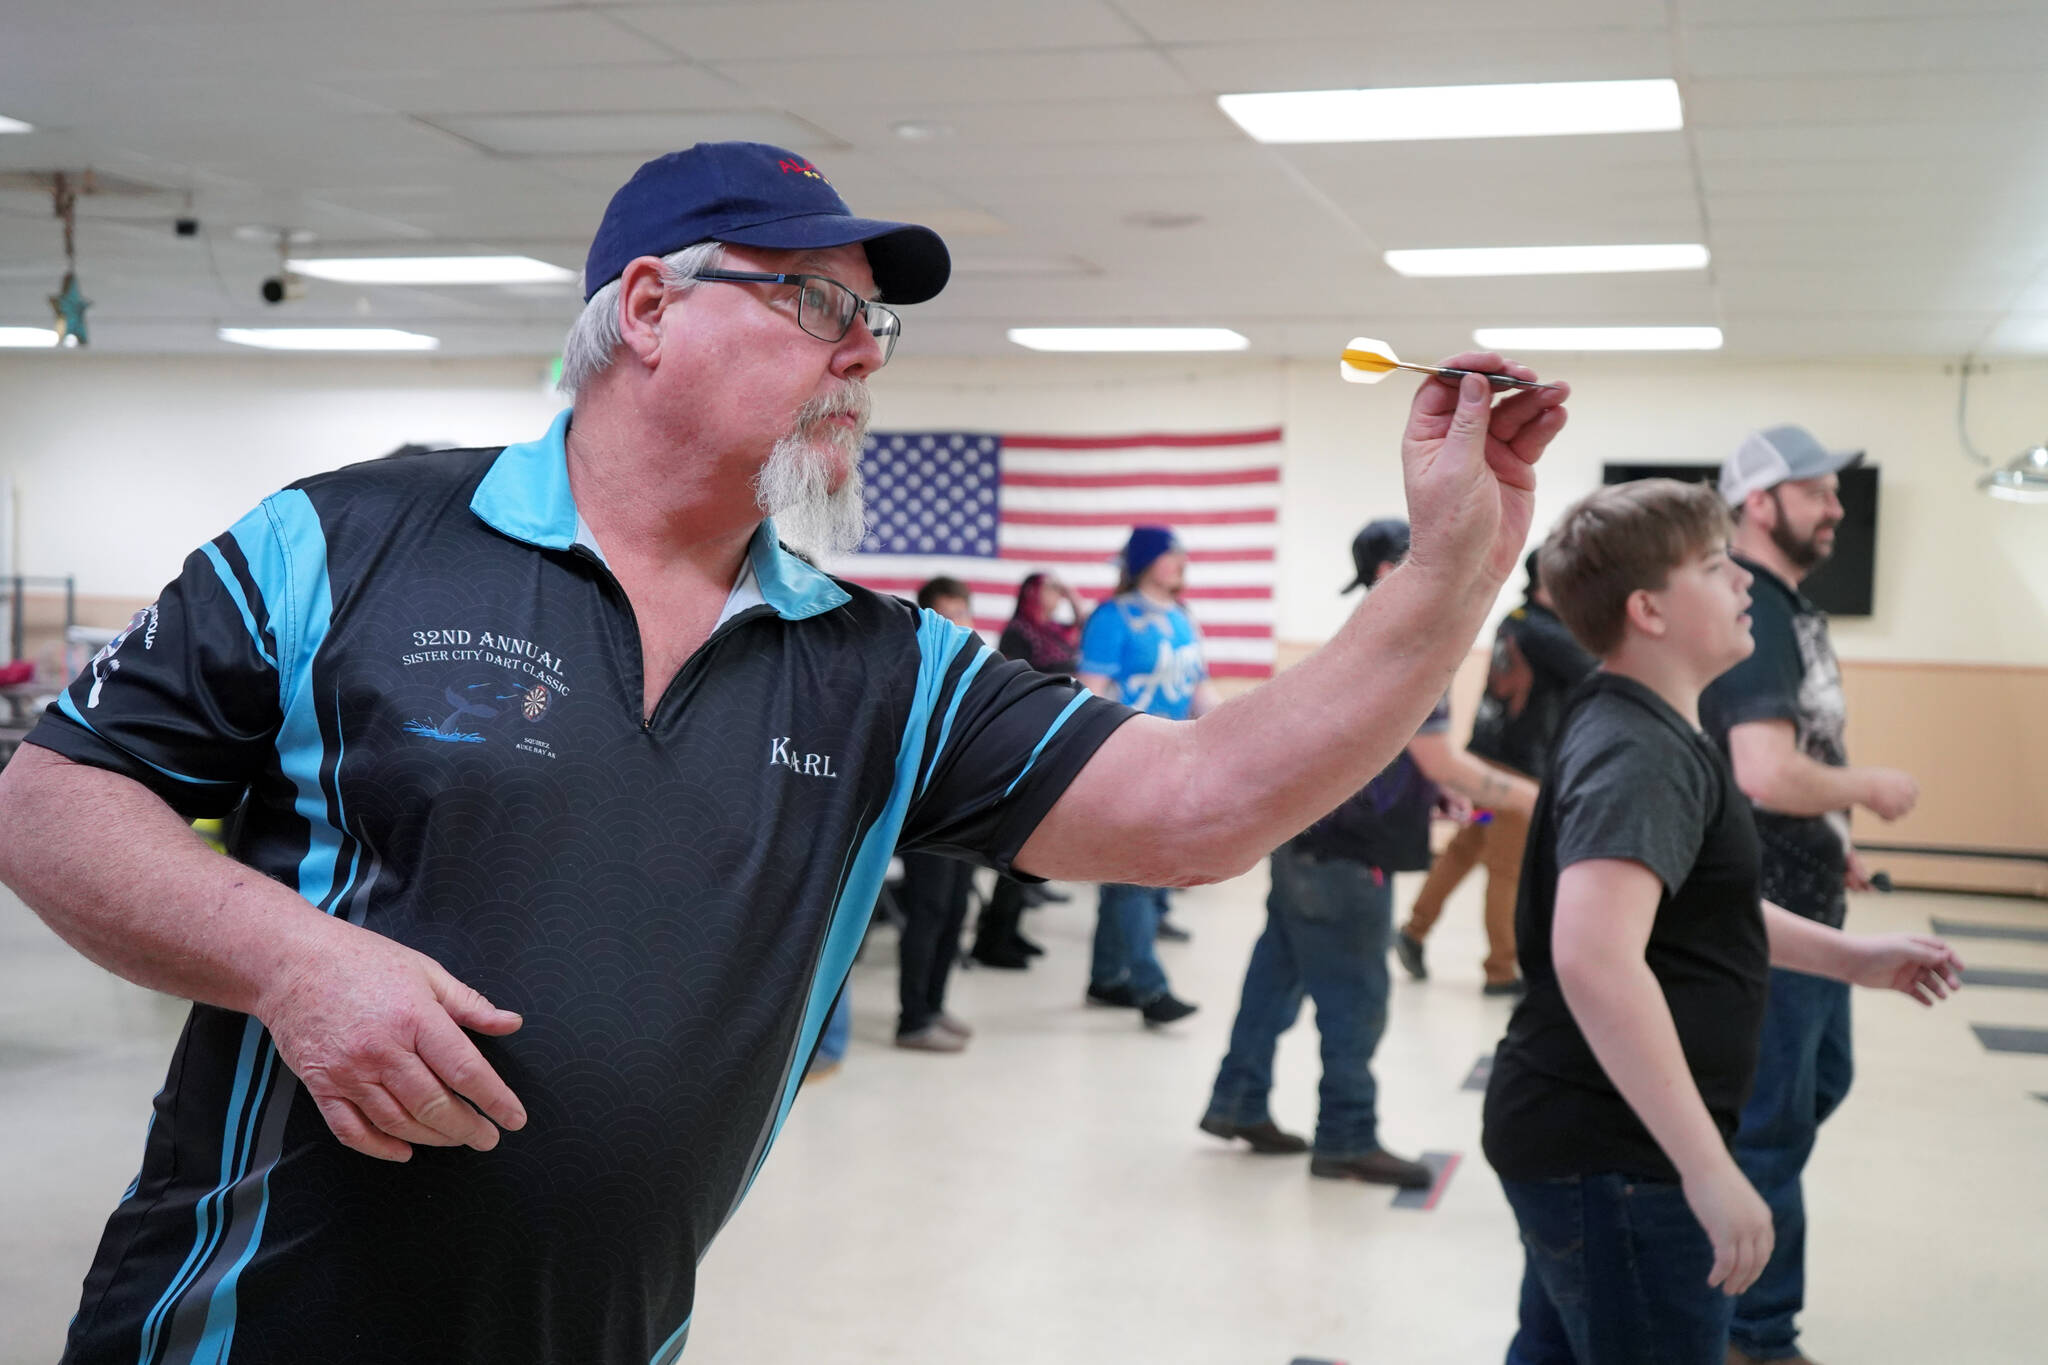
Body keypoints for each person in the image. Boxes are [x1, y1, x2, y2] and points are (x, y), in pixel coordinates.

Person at [0, 134, 1571, 1365]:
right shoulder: (347, 541)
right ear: (650, 308)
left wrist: (1452, 568)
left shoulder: (880, 665)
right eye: (821, 306)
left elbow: (1198, 808)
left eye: (872, 321)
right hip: (242, 1334)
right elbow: (52, 795)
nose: (865, 354)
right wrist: (292, 961)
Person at [1480, 479, 1960, 1365]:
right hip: (1617, 1157)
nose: (1742, 580)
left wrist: (1856, 959)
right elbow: (1595, 957)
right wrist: (1707, 1167)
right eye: (1712, 564)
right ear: (1648, 609)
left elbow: (1708, 910)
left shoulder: (1653, 723)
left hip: (1588, 1143)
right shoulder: (1640, 749)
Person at [1200, 520, 1521, 1187]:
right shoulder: (1413, 642)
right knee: (1357, 1000)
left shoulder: (1362, 634)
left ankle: (1237, 1102)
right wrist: (1530, 797)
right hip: (1345, 859)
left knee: (1274, 982)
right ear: (1388, 570)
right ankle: (1346, 1137)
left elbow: (1378, 753)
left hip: (1302, 842)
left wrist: (1421, 797)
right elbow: (1433, 753)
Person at [1700, 426, 1922, 1365]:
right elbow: (1764, 770)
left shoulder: (1792, 611)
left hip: (1806, 893)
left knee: (1813, 1091)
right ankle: (1754, 1332)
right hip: (1765, 923)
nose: (1837, 509)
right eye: (1819, 492)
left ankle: (1715, 1239)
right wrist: (1867, 787)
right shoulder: (1757, 619)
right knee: (1773, 1127)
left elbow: (1799, 768)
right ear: (1762, 503)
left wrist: (1836, 841)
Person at [1397, 548, 1594, 993]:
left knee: (1467, 847)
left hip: (1484, 760)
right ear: (1550, 581)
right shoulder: (1548, 633)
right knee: (1509, 868)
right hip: (1514, 777)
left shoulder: (1517, 617)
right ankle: (1502, 970)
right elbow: (1596, 668)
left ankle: (1414, 930)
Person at [1072, 526, 1218, 1025]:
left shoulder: (1182, 619)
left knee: (1129, 875)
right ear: (1145, 561)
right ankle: (1149, 987)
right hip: (1126, 763)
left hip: (1174, 763)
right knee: (1137, 872)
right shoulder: (1113, 619)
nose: (1180, 560)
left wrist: (1225, 733)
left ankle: (1106, 978)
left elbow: (1199, 689)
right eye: (1168, 553)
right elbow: (1088, 695)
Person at [971, 571, 1088, 968]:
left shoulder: (1052, 630)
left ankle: (1011, 930)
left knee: (1033, 843)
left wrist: (1073, 598)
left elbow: (1082, 637)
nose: (1057, 595)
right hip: (1028, 741)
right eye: (1052, 589)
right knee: (1017, 841)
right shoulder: (1020, 631)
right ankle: (993, 938)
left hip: (1054, 740)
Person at [892, 577, 981, 1052]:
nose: (957, 623)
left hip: (966, 811)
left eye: (963, 612)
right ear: (928, 618)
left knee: (955, 911)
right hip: (926, 813)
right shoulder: (914, 669)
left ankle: (935, 1004)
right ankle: (913, 1019)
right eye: (947, 614)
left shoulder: (978, 669)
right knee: (926, 913)